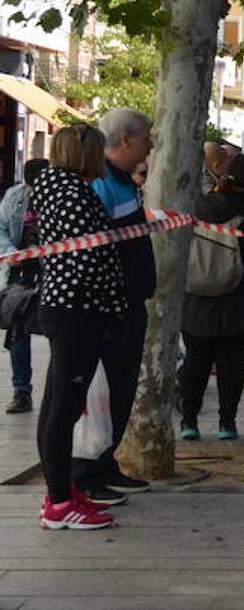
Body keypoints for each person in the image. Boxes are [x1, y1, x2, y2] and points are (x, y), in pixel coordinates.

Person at [33, 124, 128, 530]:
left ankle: (60, 492)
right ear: (85, 154)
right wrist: (115, 296)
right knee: (65, 406)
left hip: (68, 307)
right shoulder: (72, 192)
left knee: (59, 403)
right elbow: (87, 258)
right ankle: (58, 501)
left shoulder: (55, 187)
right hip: (79, 309)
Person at [73, 108, 154, 503]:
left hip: (131, 302)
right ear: (125, 140)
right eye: (147, 136)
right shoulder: (101, 183)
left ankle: (106, 464)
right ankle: (86, 474)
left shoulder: (124, 181)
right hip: (110, 307)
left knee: (122, 389)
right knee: (100, 392)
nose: (152, 143)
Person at [179, 154, 244, 441]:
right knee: (232, 362)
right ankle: (227, 423)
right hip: (242, 302)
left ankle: (189, 421)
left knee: (195, 360)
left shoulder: (199, 206)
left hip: (196, 297)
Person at [2, 157, 48, 414]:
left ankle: (62, 388)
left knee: (57, 329)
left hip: (53, 271)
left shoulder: (61, 198)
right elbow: (1, 228)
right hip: (22, 271)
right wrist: (11, 252)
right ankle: (21, 390)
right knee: (18, 330)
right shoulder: (15, 196)